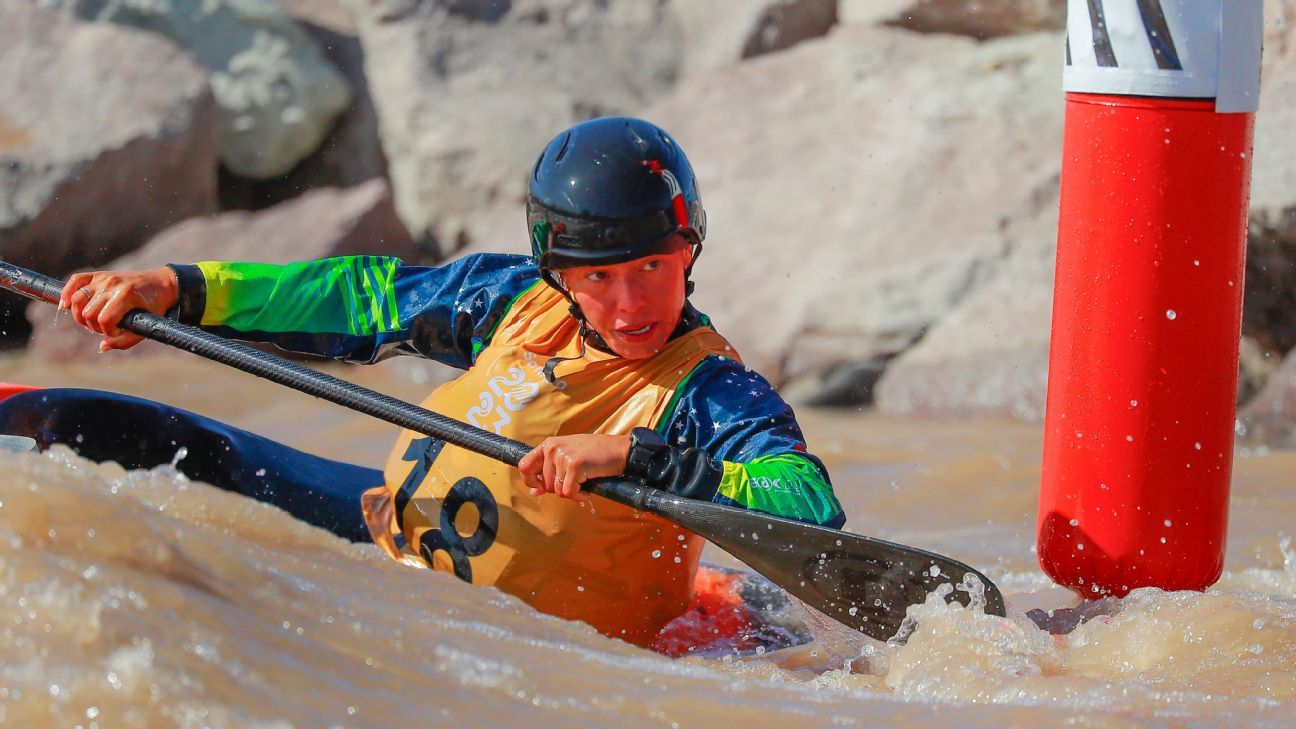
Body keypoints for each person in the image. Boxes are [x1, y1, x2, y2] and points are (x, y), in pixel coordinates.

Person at [16, 116, 845, 648]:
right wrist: (181, 287)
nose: (630, 303)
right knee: (88, 422)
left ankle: (716, 600)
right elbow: (361, 298)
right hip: (387, 529)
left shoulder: (711, 389)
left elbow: (808, 502)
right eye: (600, 277)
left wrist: (644, 456)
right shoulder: (512, 297)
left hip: (519, 632)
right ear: (556, 269)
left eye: (654, 268)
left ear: (690, 249)